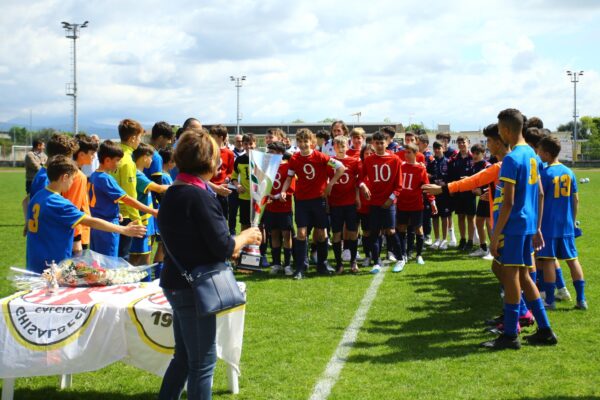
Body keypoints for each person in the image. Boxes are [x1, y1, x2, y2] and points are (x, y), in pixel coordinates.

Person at [158, 129, 261, 400]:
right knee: (202, 364)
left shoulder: (173, 192)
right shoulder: (198, 196)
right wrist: (247, 236)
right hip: (194, 288)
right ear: (208, 160)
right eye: (216, 156)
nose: (220, 163)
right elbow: (224, 247)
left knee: (183, 358)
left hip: (177, 282)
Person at [481, 108, 556, 350]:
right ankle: (544, 329)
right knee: (524, 276)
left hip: (513, 227)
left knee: (512, 276)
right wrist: (537, 228)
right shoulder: (533, 156)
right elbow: (540, 194)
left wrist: (495, 235)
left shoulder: (512, 159)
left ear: (504, 130)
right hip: (527, 225)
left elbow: (509, 201)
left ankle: (510, 335)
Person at [26, 155, 145, 273]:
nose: (72, 182)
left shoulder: (38, 195)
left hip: (34, 261)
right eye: (72, 178)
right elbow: (91, 221)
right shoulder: (59, 203)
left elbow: (25, 202)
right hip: (53, 266)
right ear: (65, 177)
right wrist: (124, 229)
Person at [280, 128, 345, 279]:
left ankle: (321, 264)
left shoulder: (320, 156)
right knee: (302, 233)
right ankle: (301, 267)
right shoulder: (294, 159)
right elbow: (289, 178)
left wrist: (330, 184)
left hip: (318, 200)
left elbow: (341, 168)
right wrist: (284, 190)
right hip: (302, 201)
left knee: (321, 234)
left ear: (312, 142)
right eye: (300, 141)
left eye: (306, 141)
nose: (303, 144)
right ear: (297, 142)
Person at [536, 135, 587, 310]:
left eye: (540, 151)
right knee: (573, 260)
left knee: (549, 260)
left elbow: (539, 198)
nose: (538, 153)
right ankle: (581, 300)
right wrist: (572, 222)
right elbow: (576, 200)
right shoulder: (569, 172)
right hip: (566, 225)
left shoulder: (544, 173)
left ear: (548, 154)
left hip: (548, 226)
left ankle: (550, 301)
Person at [89, 140, 159, 258]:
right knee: (109, 264)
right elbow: (128, 199)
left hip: (97, 227)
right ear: (107, 160)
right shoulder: (106, 179)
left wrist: (116, 212)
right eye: (117, 160)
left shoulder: (94, 176)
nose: (119, 163)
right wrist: (153, 211)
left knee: (98, 263)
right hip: (109, 228)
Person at [359, 131, 404, 274]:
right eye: (376, 143)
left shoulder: (395, 159)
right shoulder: (368, 160)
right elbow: (360, 179)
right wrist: (363, 186)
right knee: (375, 232)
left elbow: (399, 185)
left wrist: (390, 199)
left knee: (391, 231)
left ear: (387, 143)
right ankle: (376, 262)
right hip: (374, 202)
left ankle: (400, 259)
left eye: (381, 142)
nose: (379, 145)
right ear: (373, 144)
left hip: (389, 202)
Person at [395, 143, 437, 269]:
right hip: (402, 203)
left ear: (415, 154)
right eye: (405, 152)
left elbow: (426, 186)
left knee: (418, 229)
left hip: (416, 204)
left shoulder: (420, 169)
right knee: (401, 228)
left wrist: (432, 202)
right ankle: (403, 254)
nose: (406, 155)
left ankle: (419, 254)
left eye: (409, 152)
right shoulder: (401, 166)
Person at [129, 143, 169, 268]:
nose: (152, 161)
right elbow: (158, 188)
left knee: (142, 254)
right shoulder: (137, 175)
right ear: (144, 157)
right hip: (142, 221)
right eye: (151, 157)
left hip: (147, 220)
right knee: (141, 257)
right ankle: (143, 282)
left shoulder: (139, 173)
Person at [110, 119, 145, 259]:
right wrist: (138, 221)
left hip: (112, 213)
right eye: (140, 137)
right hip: (125, 217)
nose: (139, 141)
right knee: (122, 259)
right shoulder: (128, 162)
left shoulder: (115, 156)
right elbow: (129, 194)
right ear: (132, 138)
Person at [328, 136, 361, 274]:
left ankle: (353, 261)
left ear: (347, 146)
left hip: (350, 203)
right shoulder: (330, 162)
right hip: (335, 203)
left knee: (353, 232)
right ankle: (339, 264)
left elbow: (359, 181)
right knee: (336, 234)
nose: (341, 148)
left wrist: (358, 197)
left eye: (343, 145)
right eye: (338, 145)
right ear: (334, 147)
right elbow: (326, 180)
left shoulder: (354, 161)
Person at [265, 142, 295, 276]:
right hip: (271, 207)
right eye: (269, 151)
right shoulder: (266, 167)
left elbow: (291, 187)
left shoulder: (288, 166)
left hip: (284, 207)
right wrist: (266, 195)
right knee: (274, 234)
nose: (270, 154)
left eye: (273, 152)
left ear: (280, 153)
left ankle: (288, 264)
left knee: (286, 235)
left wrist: (276, 196)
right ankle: (276, 263)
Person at [64, 134, 98, 254]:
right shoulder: (78, 176)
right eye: (92, 153)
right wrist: (77, 238)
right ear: (81, 154)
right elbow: (72, 209)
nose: (94, 157)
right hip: (76, 234)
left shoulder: (68, 171)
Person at [449, 136, 476, 251]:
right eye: (459, 143)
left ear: (468, 143)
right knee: (460, 216)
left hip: (470, 192)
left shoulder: (474, 157)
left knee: (470, 217)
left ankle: (470, 240)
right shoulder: (454, 158)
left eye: (463, 142)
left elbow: (479, 174)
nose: (461, 145)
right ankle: (463, 239)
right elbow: (450, 175)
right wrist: (451, 188)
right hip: (458, 192)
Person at [426, 142, 452, 250]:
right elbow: (428, 176)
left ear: (443, 148)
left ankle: (444, 240)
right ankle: (437, 239)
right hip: (434, 192)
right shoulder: (432, 162)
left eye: (439, 148)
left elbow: (452, 176)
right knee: (435, 216)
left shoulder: (448, 162)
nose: (437, 150)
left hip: (445, 192)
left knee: (445, 216)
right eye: (435, 148)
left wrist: (446, 184)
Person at [468, 143, 492, 258]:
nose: (475, 156)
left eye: (478, 153)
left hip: (489, 198)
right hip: (482, 199)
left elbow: (491, 183)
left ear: (483, 154)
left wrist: (483, 192)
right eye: (473, 153)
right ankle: (483, 247)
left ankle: (493, 250)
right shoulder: (474, 166)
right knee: (479, 221)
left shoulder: (487, 166)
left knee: (489, 223)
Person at [208, 125, 234, 217]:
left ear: (221, 137)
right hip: (208, 188)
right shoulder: (207, 151)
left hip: (222, 189)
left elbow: (231, 171)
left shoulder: (229, 153)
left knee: (222, 217)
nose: (210, 139)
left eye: (212, 136)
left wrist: (226, 180)